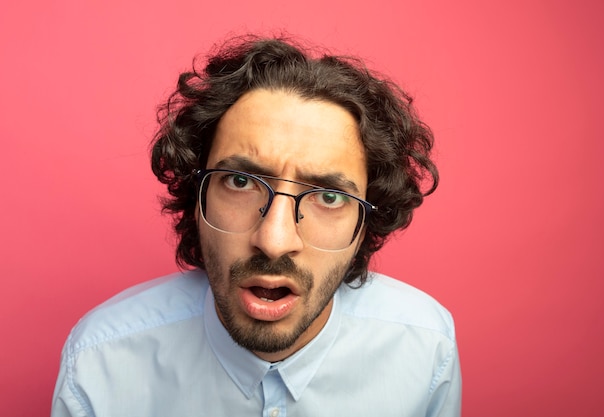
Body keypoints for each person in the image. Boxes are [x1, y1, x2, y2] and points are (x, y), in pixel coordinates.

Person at [51, 35, 461, 417]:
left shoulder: (426, 350)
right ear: (196, 198)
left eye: (330, 196)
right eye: (241, 182)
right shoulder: (97, 365)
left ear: (365, 223)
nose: (275, 241)